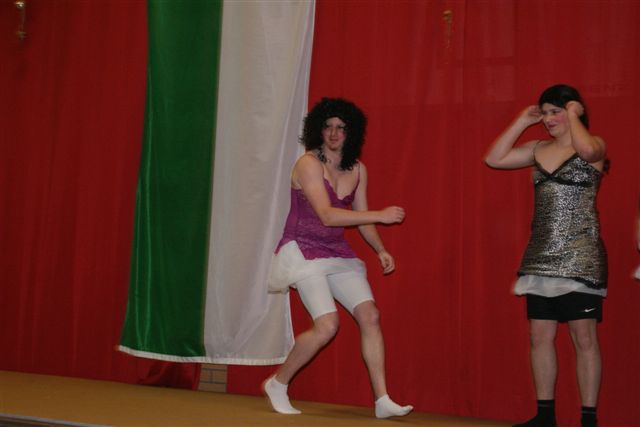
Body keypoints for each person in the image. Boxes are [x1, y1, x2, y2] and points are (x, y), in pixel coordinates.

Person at [263, 97, 413, 419]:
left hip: (336, 252)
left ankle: (382, 400)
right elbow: (328, 215)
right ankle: (278, 383)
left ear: (351, 132)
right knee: (327, 326)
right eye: (328, 126)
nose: (333, 133)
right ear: (318, 129)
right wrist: (381, 214)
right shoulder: (308, 163)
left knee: (370, 315)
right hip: (303, 251)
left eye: (341, 128)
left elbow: (361, 217)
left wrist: (381, 249)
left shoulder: (357, 169)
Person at [485, 84, 607, 427]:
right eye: (546, 113)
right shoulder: (537, 149)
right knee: (539, 337)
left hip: (580, 257)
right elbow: (493, 158)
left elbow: (586, 148)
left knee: (584, 339)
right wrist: (522, 121)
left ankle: (588, 420)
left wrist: (573, 114)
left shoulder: (593, 145)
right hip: (540, 258)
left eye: (556, 111)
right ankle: (545, 416)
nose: (549, 119)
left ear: (573, 110)